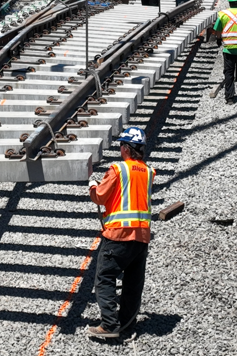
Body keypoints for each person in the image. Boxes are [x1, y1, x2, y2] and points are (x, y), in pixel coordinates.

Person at [87, 126, 156, 341]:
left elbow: (100, 196)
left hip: (118, 235)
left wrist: (92, 185)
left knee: (104, 278)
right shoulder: (148, 172)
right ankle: (126, 324)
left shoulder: (118, 169)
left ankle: (109, 325)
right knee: (133, 283)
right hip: (142, 237)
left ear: (126, 148)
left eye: (120, 145)